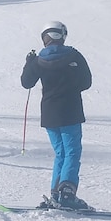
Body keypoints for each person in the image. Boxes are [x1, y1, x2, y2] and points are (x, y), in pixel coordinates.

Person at [20, 20, 92, 209]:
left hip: (50, 113)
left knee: (61, 153)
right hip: (70, 110)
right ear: (63, 35)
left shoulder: (38, 60)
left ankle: (57, 193)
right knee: (72, 151)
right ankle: (66, 193)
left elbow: (27, 83)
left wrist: (29, 63)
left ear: (45, 38)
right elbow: (86, 82)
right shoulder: (74, 55)